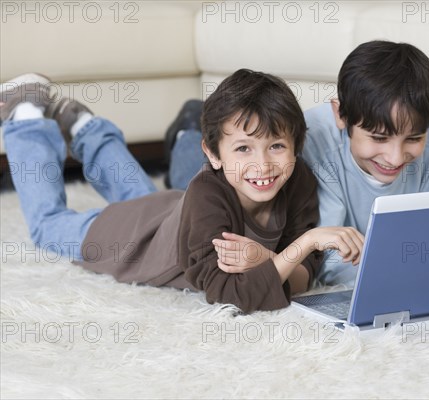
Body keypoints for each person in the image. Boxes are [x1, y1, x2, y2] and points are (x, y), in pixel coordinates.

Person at [163, 41, 429, 313]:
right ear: (340, 116)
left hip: (255, 191)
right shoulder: (307, 141)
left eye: (414, 139)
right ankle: (187, 133)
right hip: (228, 186)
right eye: (378, 138)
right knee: (194, 188)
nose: (394, 157)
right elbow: (325, 261)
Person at [0, 69, 364, 313]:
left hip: (174, 211)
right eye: (243, 149)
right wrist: (303, 245)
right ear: (212, 154)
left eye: (277, 147)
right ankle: (25, 118)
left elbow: (301, 281)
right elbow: (231, 294)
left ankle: (84, 126)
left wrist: (267, 261)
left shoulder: (296, 178)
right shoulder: (208, 193)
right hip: (130, 242)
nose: (263, 165)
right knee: (49, 225)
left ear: (296, 146)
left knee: (141, 196)